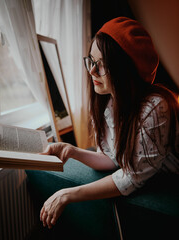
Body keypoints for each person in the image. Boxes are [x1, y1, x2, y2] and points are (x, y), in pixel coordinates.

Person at [40, 17, 179, 229]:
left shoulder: (155, 107)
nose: (92, 71)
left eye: (102, 65)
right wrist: (72, 151)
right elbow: (112, 160)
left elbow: (131, 178)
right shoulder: (107, 103)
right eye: (91, 61)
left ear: (126, 70)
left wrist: (68, 194)